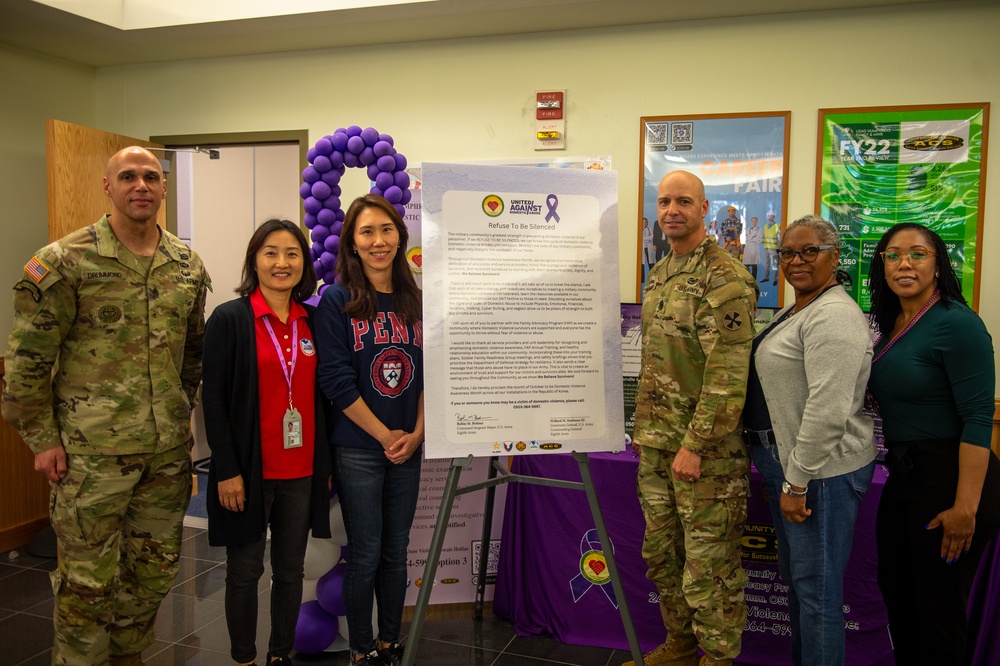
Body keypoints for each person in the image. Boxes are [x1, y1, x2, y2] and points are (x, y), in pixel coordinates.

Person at [1, 146, 210, 665]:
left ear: (163, 188)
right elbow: (25, 362)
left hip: (163, 457)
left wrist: (181, 417)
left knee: (153, 573)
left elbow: (192, 355)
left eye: (150, 177)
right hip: (90, 458)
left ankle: (128, 658)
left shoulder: (186, 265)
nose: (141, 185)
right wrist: (42, 439)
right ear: (107, 187)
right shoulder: (64, 261)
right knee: (86, 585)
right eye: (128, 176)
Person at [629, 170, 759, 666]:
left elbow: (727, 376)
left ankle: (719, 659)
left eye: (684, 201)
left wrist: (694, 444)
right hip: (660, 446)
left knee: (710, 567)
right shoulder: (661, 272)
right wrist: (647, 432)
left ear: (705, 209)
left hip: (705, 456)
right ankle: (682, 646)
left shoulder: (724, 277)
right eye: (665, 202)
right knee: (663, 557)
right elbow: (658, 362)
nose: (672, 211)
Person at [743, 215, 876, 665]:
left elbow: (828, 408)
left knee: (817, 595)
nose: (796, 261)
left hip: (819, 472)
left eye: (809, 252)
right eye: (787, 253)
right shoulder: (798, 307)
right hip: (787, 463)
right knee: (803, 587)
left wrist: (796, 482)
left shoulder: (834, 315)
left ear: (834, 257)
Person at [867, 223, 1000, 665]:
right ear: (881, 264)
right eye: (893, 255)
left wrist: (966, 509)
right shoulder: (894, 324)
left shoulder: (957, 324)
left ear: (938, 264)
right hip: (906, 474)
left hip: (952, 475)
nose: (904, 263)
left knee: (938, 609)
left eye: (917, 254)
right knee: (898, 593)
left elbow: (979, 419)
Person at [202, 219, 333, 666]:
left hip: (301, 472)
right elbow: (213, 402)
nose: (282, 263)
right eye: (271, 253)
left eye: (292, 253)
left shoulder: (314, 320)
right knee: (244, 572)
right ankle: (243, 657)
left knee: (291, 570)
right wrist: (228, 470)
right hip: (249, 473)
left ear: (304, 262)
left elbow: (326, 397)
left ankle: (280, 654)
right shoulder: (230, 318)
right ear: (255, 260)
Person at [315, 194, 424, 666]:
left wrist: (417, 434)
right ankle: (361, 647)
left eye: (386, 230)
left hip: (410, 445)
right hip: (361, 447)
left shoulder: (415, 300)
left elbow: (430, 374)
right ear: (352, 244)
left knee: (396, 553)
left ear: (399, 236)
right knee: (365, 552)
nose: (378, 241)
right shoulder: (337, 300)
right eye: (366, 232)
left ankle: (388, 640)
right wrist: (385, 435)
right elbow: (336, 381)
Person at [761, 211, 780, 284]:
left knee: (775, 265)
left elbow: (779, 239)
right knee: (767, 264)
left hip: (774, 248)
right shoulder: (765, 226)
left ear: (773, 217)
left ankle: (775, 279)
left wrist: (778, 249)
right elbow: (764, 236)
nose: (769, 217)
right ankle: (766, 277)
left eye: (771, 216)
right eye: (768, 216)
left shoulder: (778, 226)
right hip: (766, 247)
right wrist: (762, 240)